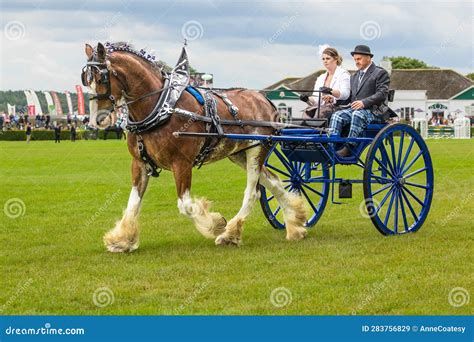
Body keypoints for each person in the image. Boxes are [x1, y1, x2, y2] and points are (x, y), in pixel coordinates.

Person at [329, 45, 390, 157]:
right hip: (357, 110)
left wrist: (364, 103)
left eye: (359, 59)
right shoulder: (354, 76)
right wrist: (332, 98)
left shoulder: (380, 73)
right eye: (355, 59)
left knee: (358, 114)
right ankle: (332, 146)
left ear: (368, 58)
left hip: (375, 111)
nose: (356, 62)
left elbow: (382, 94)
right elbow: (350, 97)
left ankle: (349, 147)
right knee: (337, 115)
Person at [301, 47, 350, 119]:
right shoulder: (321, 78)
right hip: (322, 108)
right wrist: (307, 99)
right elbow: (316, 99)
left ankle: (318, 130)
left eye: (328, 58)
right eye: (323, 59)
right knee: (306, 114)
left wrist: (331, 92)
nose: (325, 61)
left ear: (336, 59)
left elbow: (345, 94)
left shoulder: (344, 74)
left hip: (338, 107)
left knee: (320, 114)